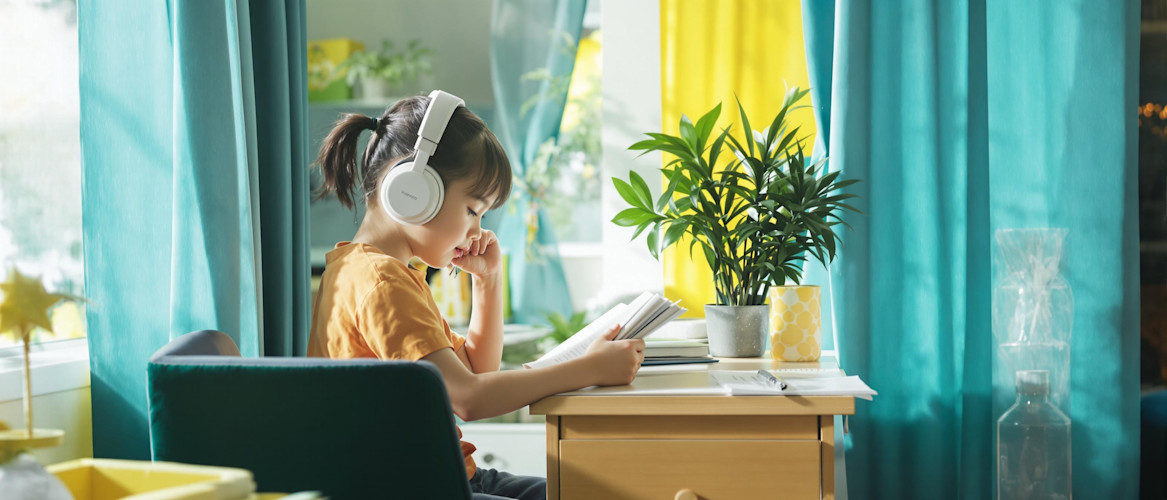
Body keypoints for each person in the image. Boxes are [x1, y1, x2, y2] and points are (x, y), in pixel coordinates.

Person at [307, 90, 645, 500]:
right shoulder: (381, 282)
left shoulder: (378, 271)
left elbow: (475, 372)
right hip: (414, 490)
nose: (476, 229)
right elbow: (467, 399)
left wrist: (487, 280)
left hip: (447, 478)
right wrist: (591, 369)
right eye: (473, 209)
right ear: (413, 190)